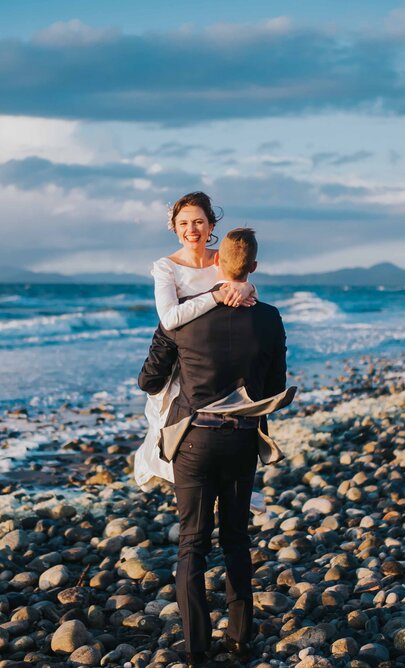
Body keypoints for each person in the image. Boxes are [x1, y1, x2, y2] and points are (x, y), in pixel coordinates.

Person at [138, 228, 295, 666]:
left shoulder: (184, 319)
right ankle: (241, 640)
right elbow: (276, 385)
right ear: (254, 268)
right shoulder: (269, 317)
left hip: (194, 441)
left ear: (215, 265)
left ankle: (195, 650)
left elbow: (149, 380)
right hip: (243, 439)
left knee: (192, 543)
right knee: (236, 539)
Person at [133, 192, 256, 491]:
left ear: (211, 226)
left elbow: (248, 297)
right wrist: (215, 296)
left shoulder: (222, 261)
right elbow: (170, 318)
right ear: (174, 227)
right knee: (181, 436)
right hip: (182, 363)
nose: (192, 229)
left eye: (199, 221)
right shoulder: (166, 267)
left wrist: (248, 287)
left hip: (223, 360)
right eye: (184, 223)